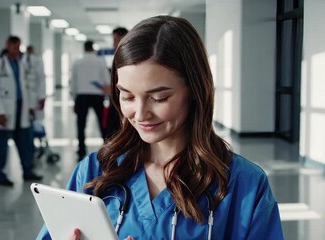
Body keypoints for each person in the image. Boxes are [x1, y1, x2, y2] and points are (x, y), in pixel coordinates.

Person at [37, 16, 284, 240]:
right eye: (127, 96)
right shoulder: (94, 171)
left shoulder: (244, 185)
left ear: (196, 91)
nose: (141, 114)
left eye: (159, 98)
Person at [0, 36, 42, 187]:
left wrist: (31, 106)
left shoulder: (22, 64)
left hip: (22, 108)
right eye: (14, 46)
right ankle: (0, 175)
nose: (17, 49)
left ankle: (27, 171)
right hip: (6, 110)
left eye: (19, 46)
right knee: (2, 145)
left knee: (24, 143)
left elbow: (28, 87)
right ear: (7, 46)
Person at [70, 40, 109, 161]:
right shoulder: (100, 62)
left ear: (84, 48)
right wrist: (106, 94)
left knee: (81, 124)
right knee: (102, 123)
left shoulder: (77, 63)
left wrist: (74, 98)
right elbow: (106, 80)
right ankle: (108, 147)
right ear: (92, 48)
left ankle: (81, 149)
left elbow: (73, 82)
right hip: (97, 96)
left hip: (82, 96)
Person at [102, 27, 128, 140]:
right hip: (115, 98)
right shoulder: (118, 57)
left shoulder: (129, 58)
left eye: (116, 40)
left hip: (122, 99)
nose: (113, 44)